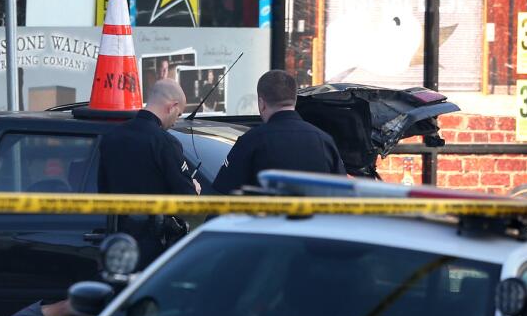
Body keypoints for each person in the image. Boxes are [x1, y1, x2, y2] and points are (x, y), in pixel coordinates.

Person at [98, 79, 199, 266]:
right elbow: (188, 199)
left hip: (116, 241)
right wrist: (194, 188)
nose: (176, 122)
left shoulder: (111, 137)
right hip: (153, 243)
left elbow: (103, 190)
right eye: (178, 114)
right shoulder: (165, 142)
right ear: (172, 106)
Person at [212, 70, 345, 194]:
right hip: (316, 219)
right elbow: (343, 197)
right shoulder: (324, 141)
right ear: (294, 99)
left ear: (261, 103)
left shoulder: (250, 142)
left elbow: (222, 196)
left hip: (266, 219)